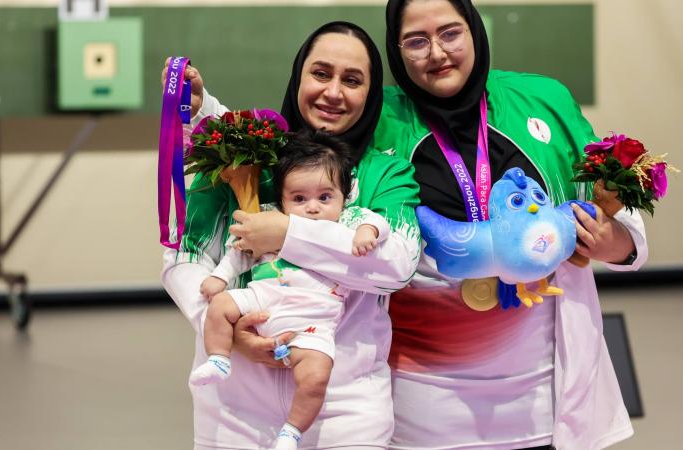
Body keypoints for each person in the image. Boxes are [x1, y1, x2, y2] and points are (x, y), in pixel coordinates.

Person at [370, 0, 649, 449]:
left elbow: (624, 231)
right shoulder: (378, 120)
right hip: (419, 400)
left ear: (475, 31)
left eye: (450, 33)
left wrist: (608, 240)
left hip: (541, 396)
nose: (437, 53)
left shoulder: (543, 101)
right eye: (416, 41)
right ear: (396, 49)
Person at [161, 22, 421, 450]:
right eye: (320, 73)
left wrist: (287, 233)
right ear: (299, 76)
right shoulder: (245, 156)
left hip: (345, 413)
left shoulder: (386, 173)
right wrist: (225, 327)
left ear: (371, 96)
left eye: (352, 80)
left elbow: (396, 267)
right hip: (233, 413)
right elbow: (184, 256)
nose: (334, 92)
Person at [190, 131, 391, 450]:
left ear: (345, 195)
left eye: (325, 197)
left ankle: (292, 431)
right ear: (282, 200)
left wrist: (367, 233)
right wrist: (219, 277)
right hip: (263, 298)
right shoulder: (270, 220)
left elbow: (379, 223)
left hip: (312, 321)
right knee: (220, 306)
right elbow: (240, 250)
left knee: (316, 376)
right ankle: (219, 359)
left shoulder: (350, 220)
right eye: (299, 199)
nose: (312, 208)